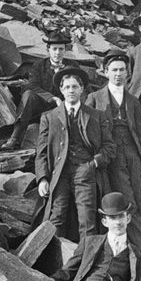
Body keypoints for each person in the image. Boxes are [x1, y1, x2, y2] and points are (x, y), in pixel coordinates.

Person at [85, 48, 141, 263]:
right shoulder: (94, 98)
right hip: (110, 156)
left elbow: (139, 133)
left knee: (135, 197)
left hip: (132, 155)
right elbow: (85, 126)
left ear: (128, 73)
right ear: (106, 72)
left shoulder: (133, 101)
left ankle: (133, 246)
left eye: (122, 70)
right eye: (114, 70)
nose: (118, 74)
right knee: (128, 200)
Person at [36, 66, 113, 242]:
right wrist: (42, 178)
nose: (71, 91)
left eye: (75, 87)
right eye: (67, 87)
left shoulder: (96, 116)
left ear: (82, 89)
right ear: (61, 90)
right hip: (59, 174)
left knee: (87, 220)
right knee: (56, 218)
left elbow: (109, 148)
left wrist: (93, 164)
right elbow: (40, 152)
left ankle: (88, 263)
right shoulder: (49, 117)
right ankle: (54, 263)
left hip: (85, 173)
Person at [3, 31, 69, 150]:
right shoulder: (39, 65)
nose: (57, 53)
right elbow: (32, 85)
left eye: (61, 49)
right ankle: (15, 137)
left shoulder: (72, 66)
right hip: (41, 105)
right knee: (28, 94)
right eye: (54, 49)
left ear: (65, 50)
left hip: (63, 107)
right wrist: (53, 98)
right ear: (48, 50)